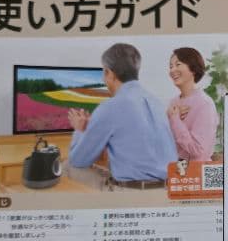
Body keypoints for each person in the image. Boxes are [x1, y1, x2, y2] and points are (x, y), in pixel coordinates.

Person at [67, 43, 177, 188]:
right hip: (168, 188)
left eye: (104, 73)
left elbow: (78, 160)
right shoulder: (156, 102)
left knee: (67, 166)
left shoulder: (110, 107)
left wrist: (80, 130)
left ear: (109, 73)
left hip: (134, 193)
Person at [166, 47, 219, 162]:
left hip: (196, 170)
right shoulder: (173, 102)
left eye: (178, 64)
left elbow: (198, 151)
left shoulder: (205, 104)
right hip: (175, 168)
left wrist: (175, 120)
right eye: (170, 66)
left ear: (193, 69)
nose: (172, 70)